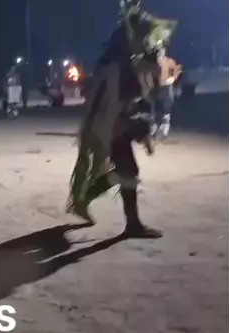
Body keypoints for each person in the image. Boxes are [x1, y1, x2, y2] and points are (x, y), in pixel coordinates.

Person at [67, 0, 176, 238]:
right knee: (128, 171)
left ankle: (85, 199)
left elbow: (137, 99)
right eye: (143, 38)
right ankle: (130, 224)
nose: (147, 42)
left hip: (117, 126)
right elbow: (114, 104)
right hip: (109, 128)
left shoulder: (127, 63)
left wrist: (142, 126)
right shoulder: (116, 67)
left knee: (124, 172)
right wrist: (139, 128)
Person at [150, 48, 182, 139]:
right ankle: (154, 129)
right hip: (156, 88)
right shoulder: (153, 64)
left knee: (166, 107)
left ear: (163, 57)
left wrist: (173, 78)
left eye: (160, 59)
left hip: (167, 87)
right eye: (157, 59)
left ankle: (165, 129)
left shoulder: (169, 62)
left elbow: (177, 70)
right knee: (155, 109)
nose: (158, 61)